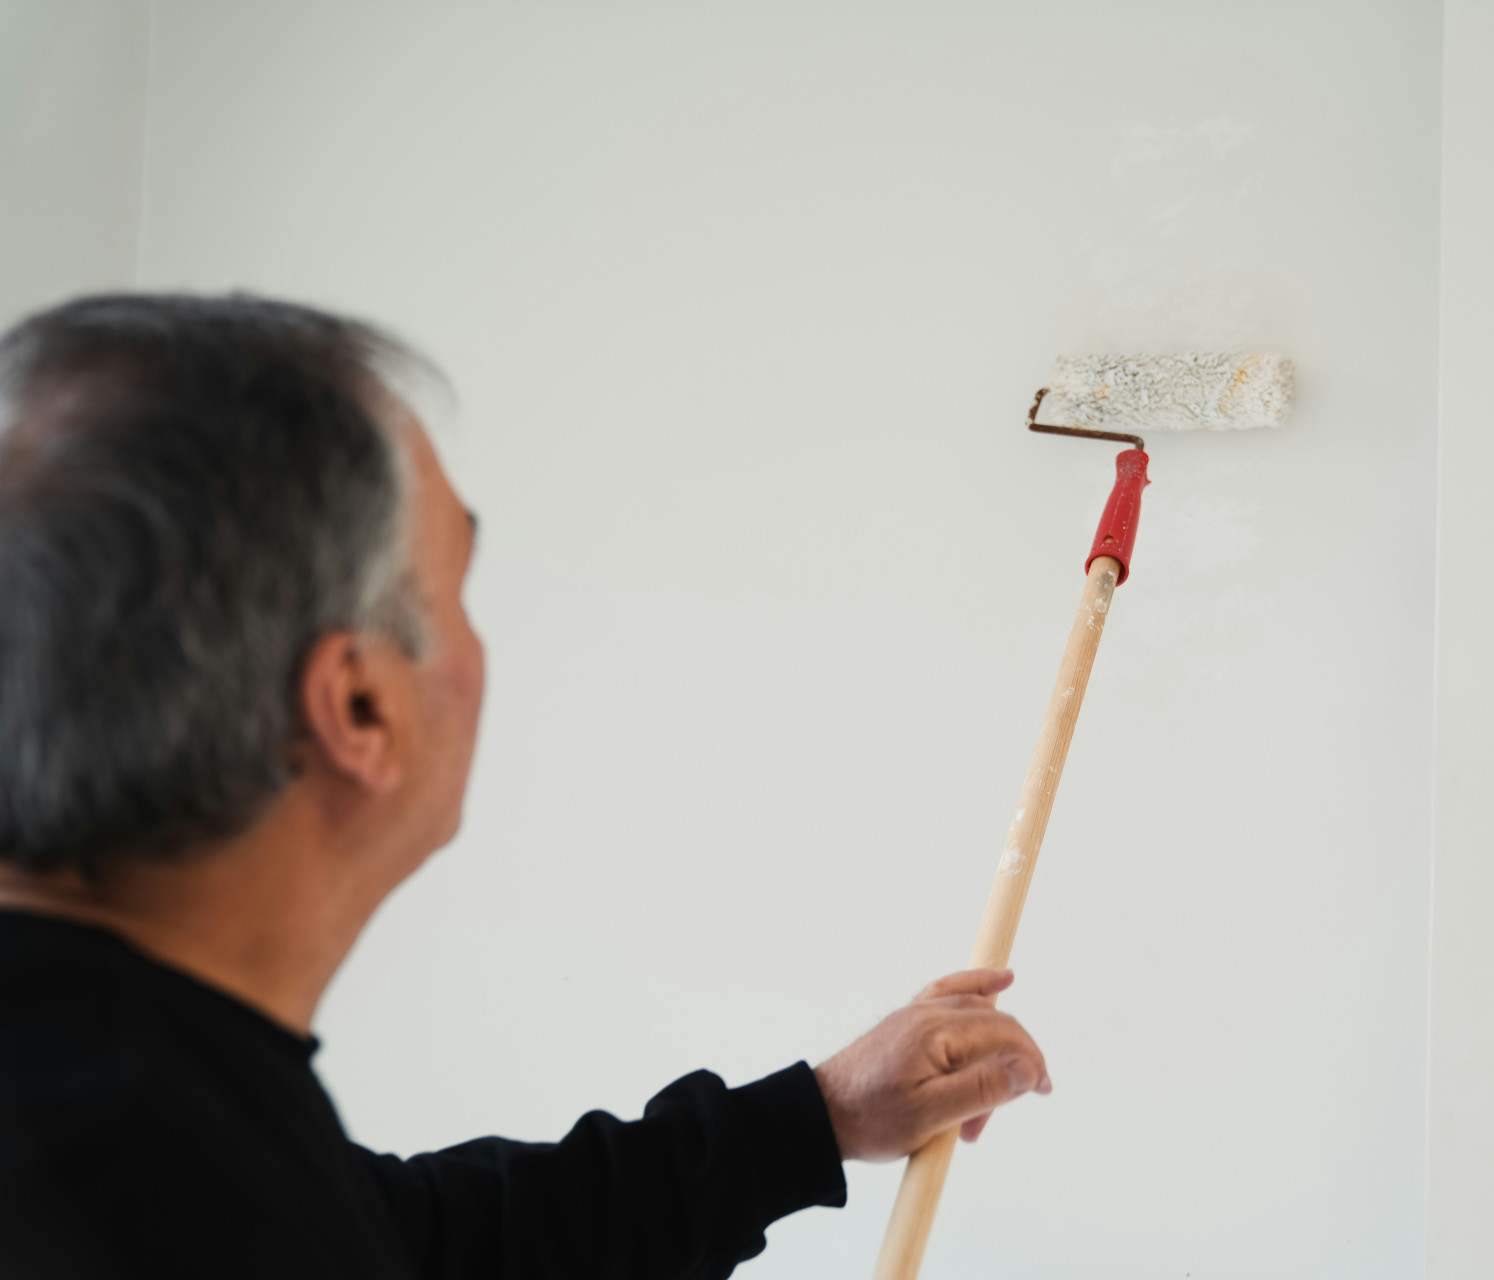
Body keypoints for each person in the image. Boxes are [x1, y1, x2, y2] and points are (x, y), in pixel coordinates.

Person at [0, 294, 1049, 1278]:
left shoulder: (130, 1104)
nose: (480, 654)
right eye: (460, 585)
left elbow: (419, 1241)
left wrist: (813, 1120)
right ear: (361, 706)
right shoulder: (135, 1190)